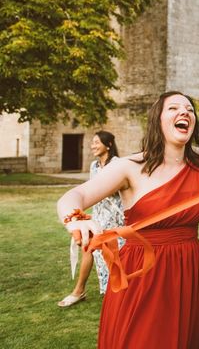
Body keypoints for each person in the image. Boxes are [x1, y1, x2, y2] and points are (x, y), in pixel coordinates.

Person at [57, 91, 199, 348]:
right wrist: (75, 218)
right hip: (142, 273)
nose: (184, 112)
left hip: (190, 269)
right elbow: (76, 194)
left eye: (189, 109)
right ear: (158, 120)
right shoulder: (128, 166)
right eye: (173, 108)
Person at [58, 131, 123, 307]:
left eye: (96, 142)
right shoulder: (94, 166)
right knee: (88, 248)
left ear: (108, 145)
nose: (93, 146)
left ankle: (116, 293)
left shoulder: (118, 164)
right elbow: (90, 190)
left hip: (116, 217)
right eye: (92, 142)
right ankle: (79, 291)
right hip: (99, 215)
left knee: (115, 256)